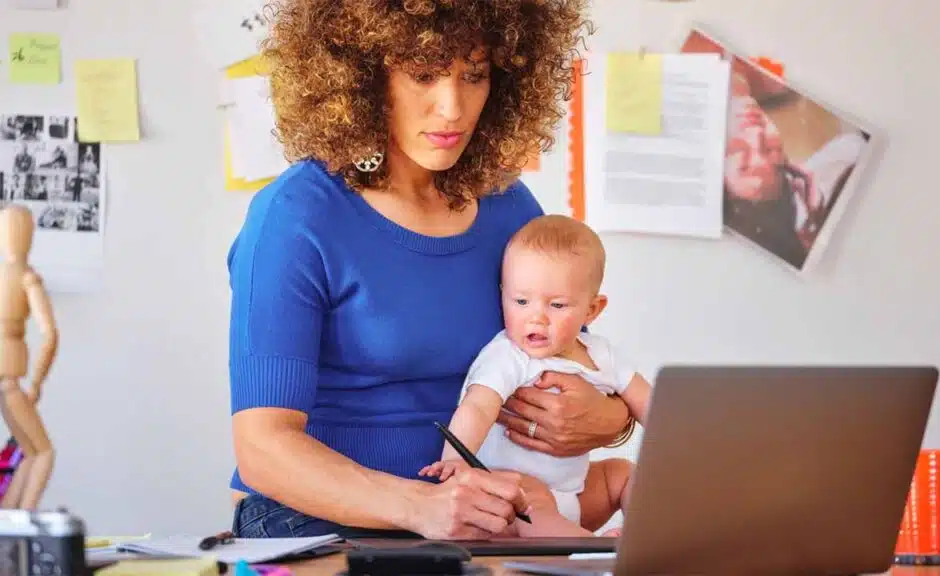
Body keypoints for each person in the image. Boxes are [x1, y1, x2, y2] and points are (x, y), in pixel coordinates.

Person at [226, 0, 637, 541]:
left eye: (475, 75)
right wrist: (422, 507)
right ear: (363, 74)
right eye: (423, 75)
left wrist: (612, 420)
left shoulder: (509, 207)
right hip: (315, 522)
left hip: (480, 521)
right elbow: (262, 447)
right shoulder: (294, 217)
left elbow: (566, 358)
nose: (452, 107)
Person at [420, 215, 651, 536]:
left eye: (557, 305)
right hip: (514, 499)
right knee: (531, 495)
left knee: (623, 473)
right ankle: (592, 551)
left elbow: (651, 405)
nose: (536, 318)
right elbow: (477, 407)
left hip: (575, 493)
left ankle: (649, 535)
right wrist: (456, 460)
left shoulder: (602, 354)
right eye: (521, 301)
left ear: (591, 310)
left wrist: (690, 448)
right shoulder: (508, 355)